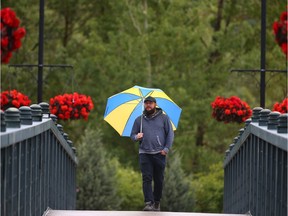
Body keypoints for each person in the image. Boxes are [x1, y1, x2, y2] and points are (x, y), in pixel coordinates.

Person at [130, 96, 174, 211]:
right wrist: (136, 137)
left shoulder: (164, 118)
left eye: (150, 103)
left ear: (155, 104)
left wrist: (166, 149)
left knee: (159, 179)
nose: (148, 105)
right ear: (144, 105)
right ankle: (149, 202)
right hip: (144, 153)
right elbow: (132, 135)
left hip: (160, 153)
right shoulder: (138, 120)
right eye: (146, 103)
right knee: (146, 178)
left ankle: (157, 201)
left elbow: (170, 134)